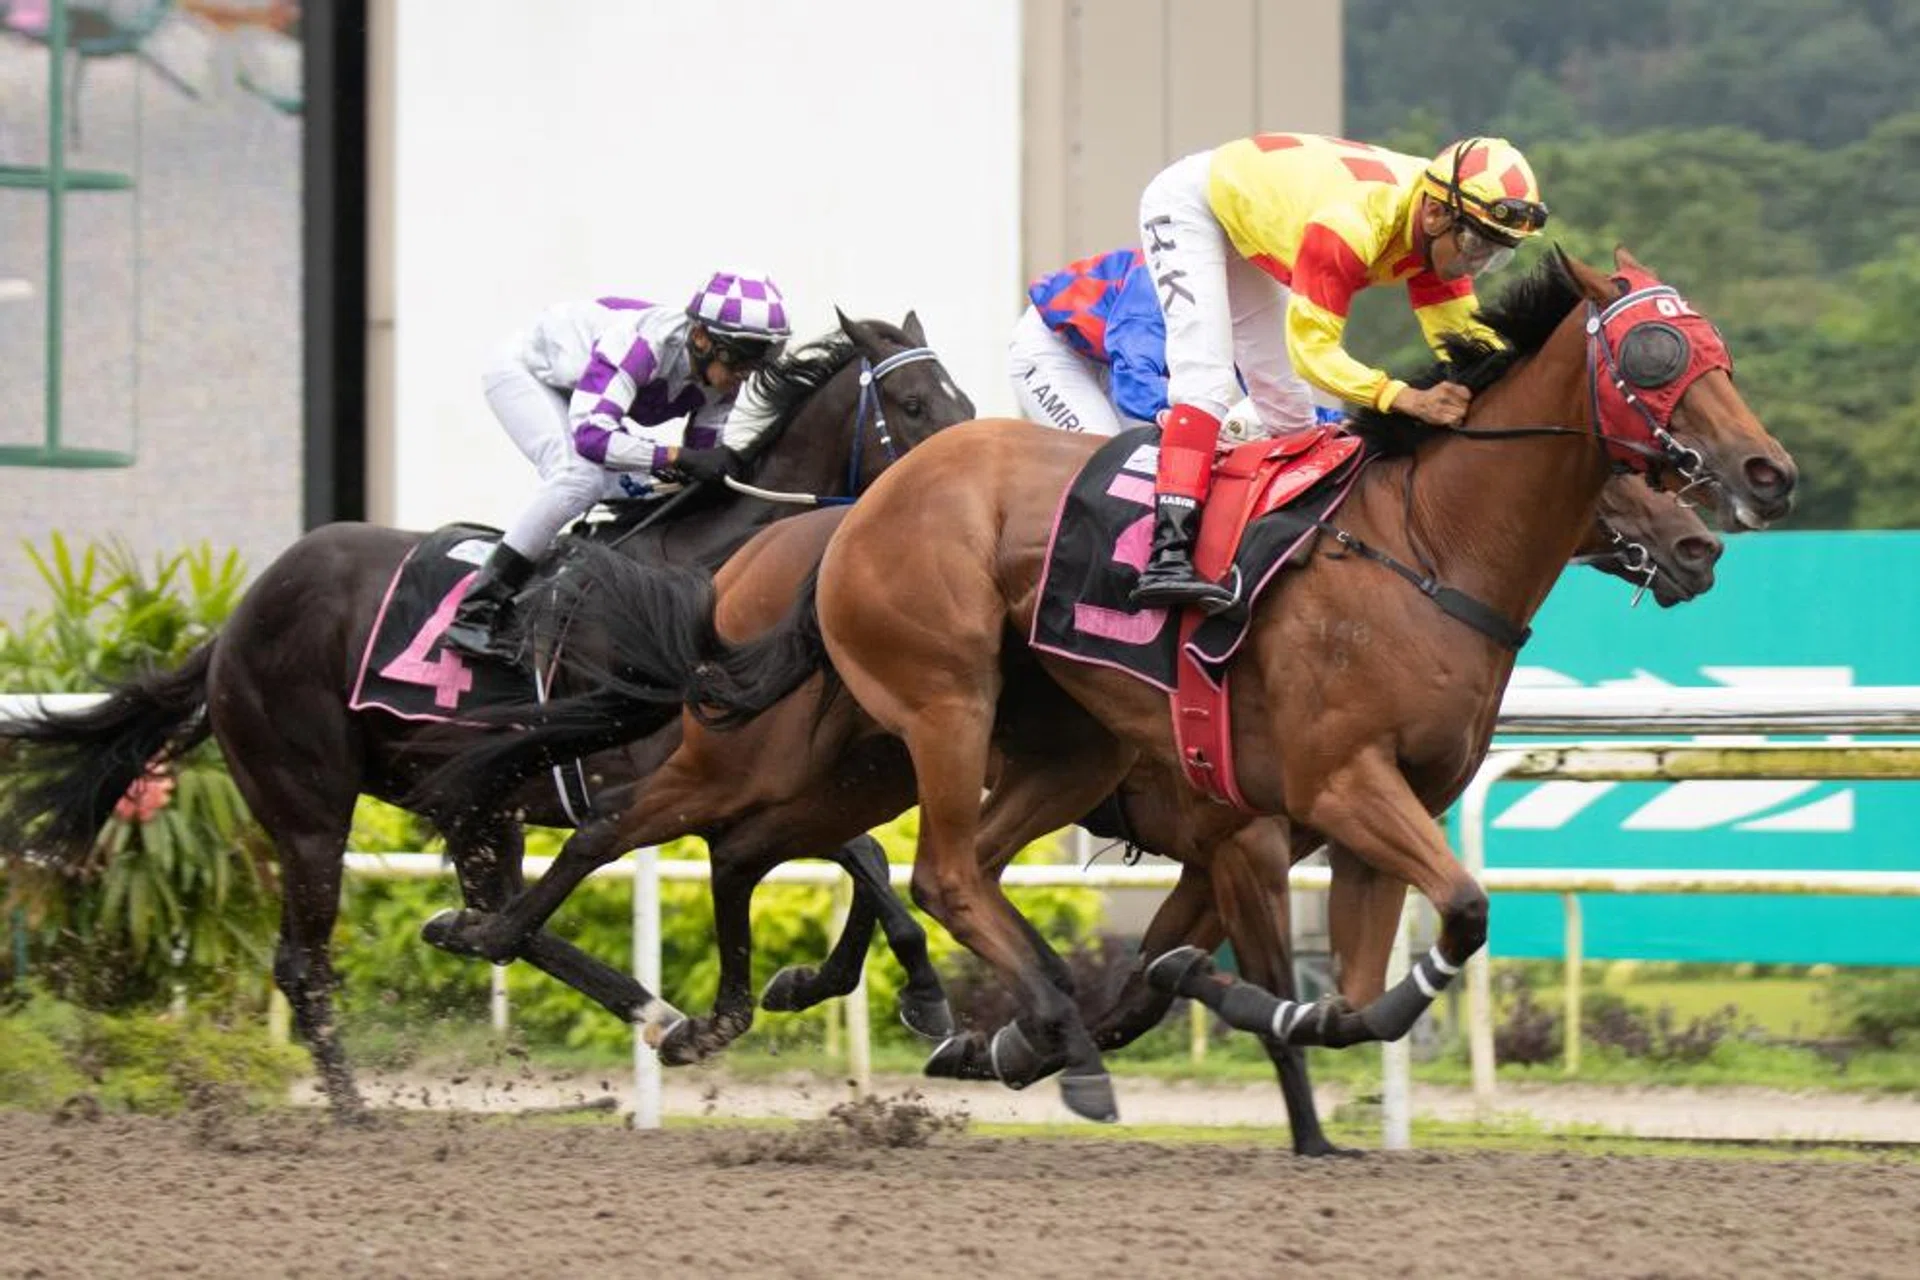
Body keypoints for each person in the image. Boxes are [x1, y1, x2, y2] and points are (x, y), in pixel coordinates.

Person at [1130, 134, 1549, 612]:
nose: (1474, 264)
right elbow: (1312, 352)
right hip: (1193, 206)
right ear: (1435, 215)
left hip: (1254, 214)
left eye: (1494, 255)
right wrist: (1404, 397)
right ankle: (1168, 556)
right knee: (1206, 379)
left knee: (1291, 414)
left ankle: (1264, 548)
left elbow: (1470, 342)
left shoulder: (1440, 223)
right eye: (1475, 246)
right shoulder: (1353, 225)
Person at [442, 269, 791, 660]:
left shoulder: (722, 379)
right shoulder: (641, 345)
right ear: (700, 338)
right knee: (580, 478)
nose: (745, 374)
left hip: (586, 400)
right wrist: (675, 456)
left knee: (661, 484)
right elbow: (593, 437)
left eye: (758, 360)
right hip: (527, 377)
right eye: (741, 357)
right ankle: (476, 610)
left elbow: (698, 467)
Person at [1010, 246, 1345, 443]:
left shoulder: (1244, 301)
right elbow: (1134, 379)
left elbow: (1270, 392)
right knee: (1099, 459)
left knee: (1152, 464)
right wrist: (1190, 416)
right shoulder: (1162, 286)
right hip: (1054, 349)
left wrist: (1332, 421)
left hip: (1114, 359)